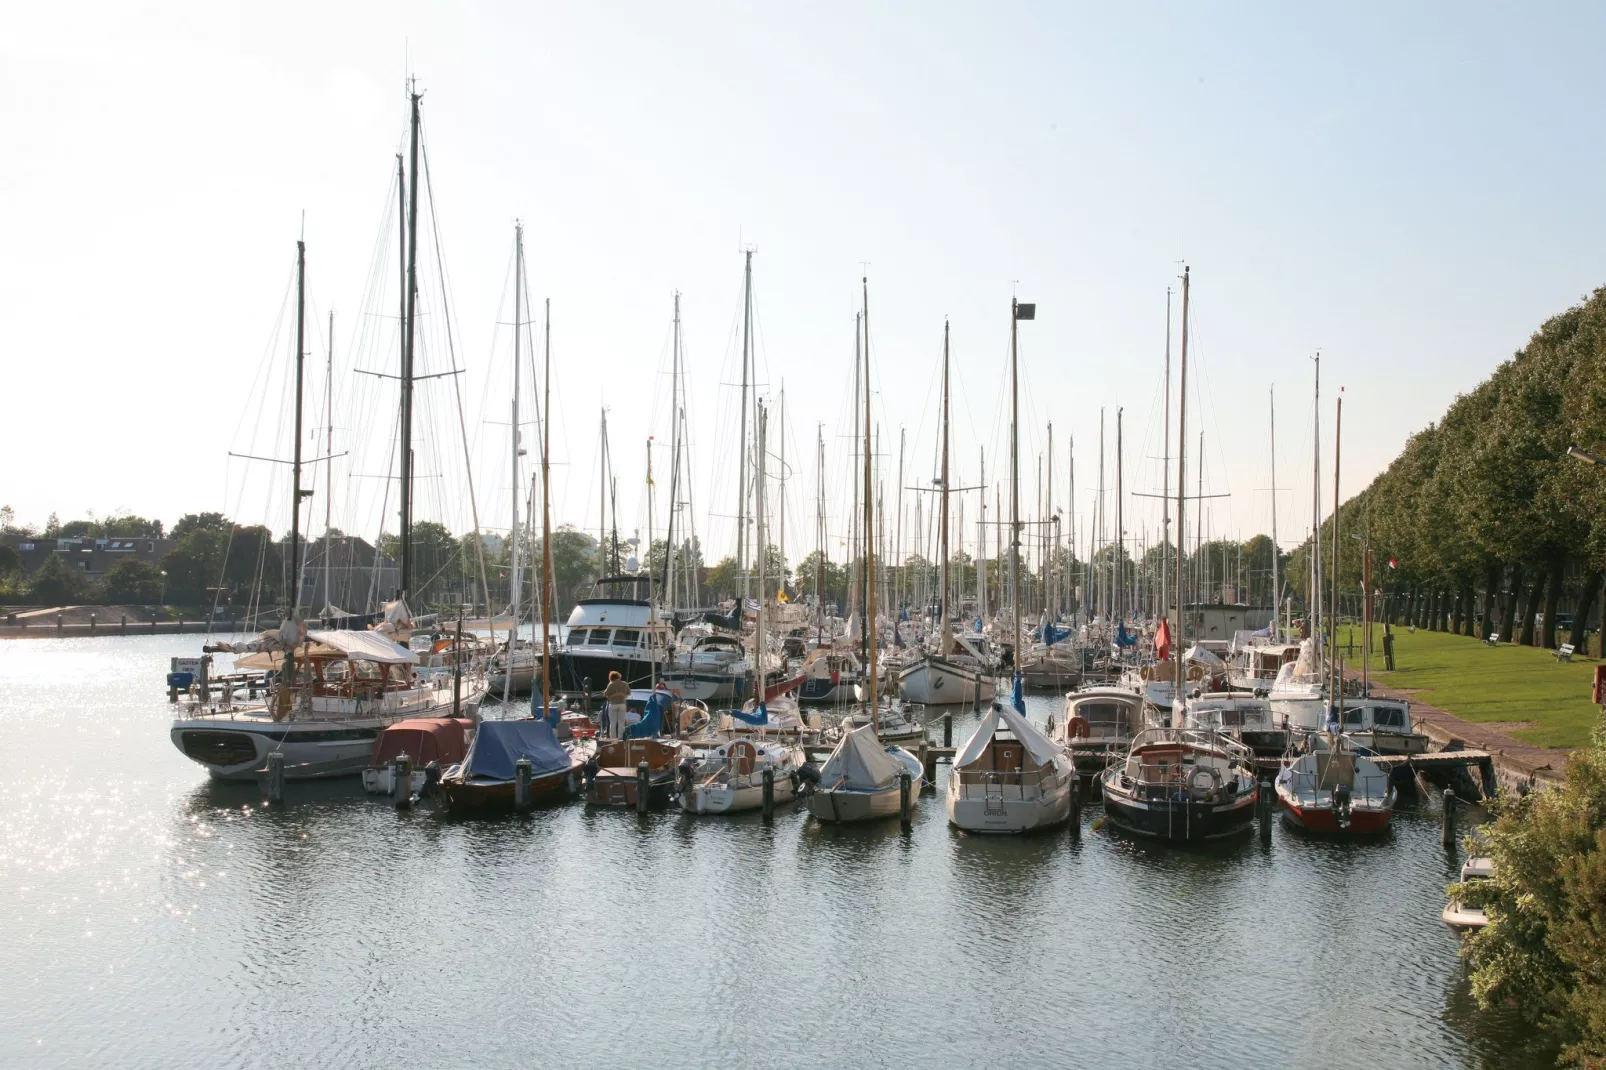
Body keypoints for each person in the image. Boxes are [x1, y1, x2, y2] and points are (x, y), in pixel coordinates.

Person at [603, 671, 630, 738]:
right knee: (621, 723)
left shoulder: (611, 684)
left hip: (613, 705)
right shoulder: (624, 684)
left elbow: (605, 694)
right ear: (619, 676)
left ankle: (613, 738)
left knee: (613, 723)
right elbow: (629, 693)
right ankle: (620, 738)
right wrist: (622, 694)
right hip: (622, 705)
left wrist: (613, 695)